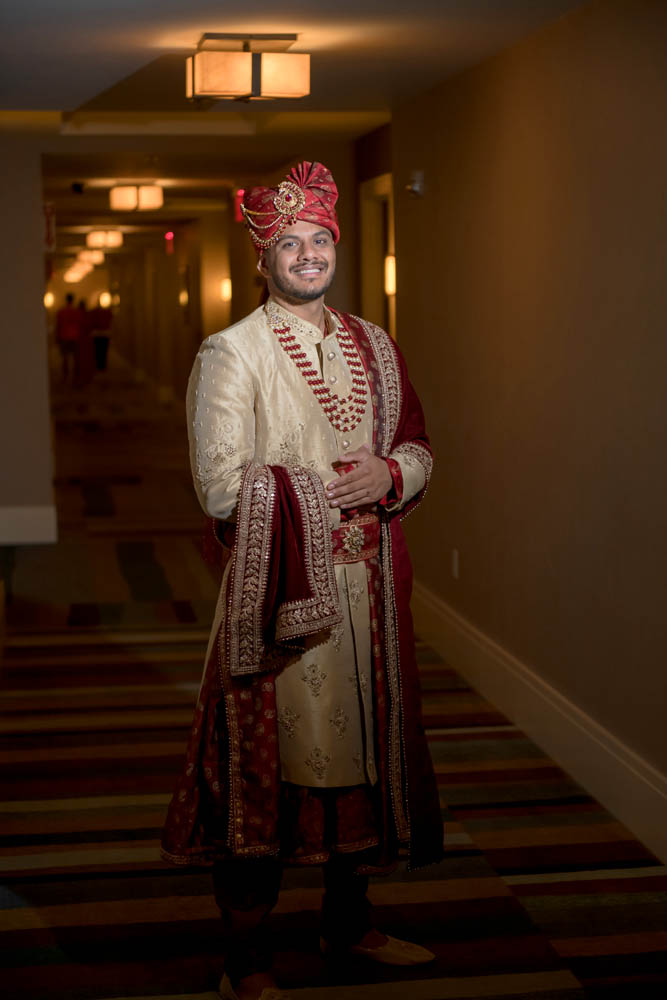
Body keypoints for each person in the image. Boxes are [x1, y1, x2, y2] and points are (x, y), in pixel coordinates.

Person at [161, 161, 443, 1000]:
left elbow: (421, 445)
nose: (309, 254)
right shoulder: (231, 352)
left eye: (320, 239)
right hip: (277, 597)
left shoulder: (374, 346)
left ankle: (348, 923)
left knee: (362, 760)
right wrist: (325, 489)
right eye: (291, 242)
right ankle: (245, 958)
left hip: (372, 597)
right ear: (264, 257)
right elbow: (218, 483)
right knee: (268, 772)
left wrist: (391, 476)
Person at [54, 292, 81, 383]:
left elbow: (58, 325)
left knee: (65, 358)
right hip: (74, 336)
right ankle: (75, 376)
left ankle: (66, 375)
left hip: (64, 336)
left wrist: (57, 337)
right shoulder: (76, 312)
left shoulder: (61, 312)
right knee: (75, 358)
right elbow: (79, 325)